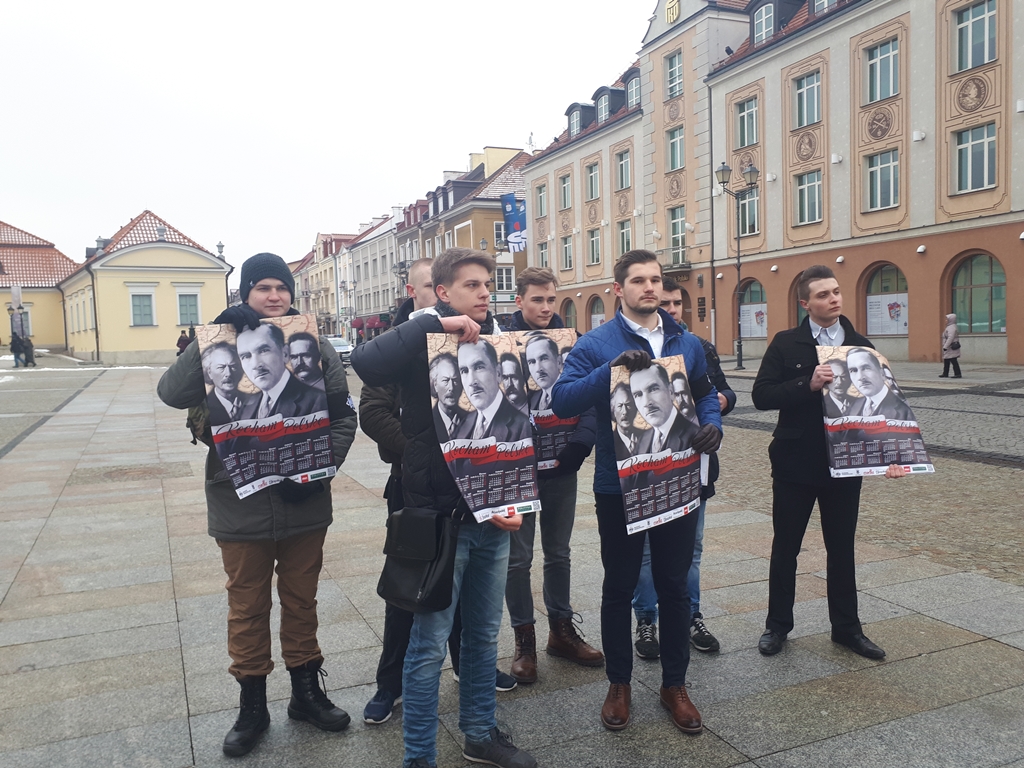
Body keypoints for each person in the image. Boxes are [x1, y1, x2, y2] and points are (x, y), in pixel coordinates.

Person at [157, 252, 357, 757]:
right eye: (262, 287)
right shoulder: (222, 342)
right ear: (245, 293)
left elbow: (342, 416)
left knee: (302, 600)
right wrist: (214, 334)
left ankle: (307, 692)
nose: (274, 295)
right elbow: (171, 392)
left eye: (281, 287)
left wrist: (319, 471)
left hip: (304, 501)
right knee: (246, 606)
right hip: (238, 499)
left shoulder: (314, 346)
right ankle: (252, 705)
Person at [352, 247, 536, 768]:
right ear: (442, 292)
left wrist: (515, 497)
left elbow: (518, 427)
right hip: (439, 520)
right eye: (472, 285)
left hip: (494, 515)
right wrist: (434, 323)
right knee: (429, 643)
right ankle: (418, 755)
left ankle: (479, 733)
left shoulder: (502, 342)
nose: (484, 293)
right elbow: (365, 362)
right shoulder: (419, 341)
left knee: (482, 636)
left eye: (487, 284)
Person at [552, 249, 722, 735]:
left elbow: (705, 393)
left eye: (655, 280)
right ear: (619, 289)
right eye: (638, 280)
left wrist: (713, 425)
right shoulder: (596, 343)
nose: (649, 287)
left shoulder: (685, 341)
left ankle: (675, 684)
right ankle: (619, 683)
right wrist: (610, 371)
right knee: (620, 585)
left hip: (678, 479)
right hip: (619, 486)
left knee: (674, 585)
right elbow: (562, 401)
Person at [752, 265, 903, 662]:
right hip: (795, 463)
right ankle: (777, 626)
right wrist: (808, 384)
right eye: (823, 294)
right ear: (805, 303)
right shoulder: (786, 342)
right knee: (786, 548)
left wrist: (892, 456)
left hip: (846, 465)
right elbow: (762, 395)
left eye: (836, 291)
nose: (834, 299)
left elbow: (883, 408)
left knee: (841, 549)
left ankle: (847, 628)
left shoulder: (860, 345)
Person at [502, 267, 601, 685]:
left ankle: (561, 630)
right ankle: (524, 639)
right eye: (536, 300)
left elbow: (591, 398)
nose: (545, 307)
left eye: (550, 300)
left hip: (561, 466)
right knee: (518, 559)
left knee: (559, 553)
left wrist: (580, 445)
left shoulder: (574, 344)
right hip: (518, 471)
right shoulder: (500, 344)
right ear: (519, 301)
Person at [630, 276, 735, 660]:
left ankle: (692, 615)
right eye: (666, 303)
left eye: (676, 303)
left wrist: (721, 404)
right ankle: (646, 618)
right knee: (645, 550)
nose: (672, 309)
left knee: (692, 549)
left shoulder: (698, 348)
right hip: (645, 468)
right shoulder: (631, 349)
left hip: (694, 466)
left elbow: (723, 391)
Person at [235, 323, 328, 419]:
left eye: (264, 351)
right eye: (245, 356)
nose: (255, 364)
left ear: (285, 354)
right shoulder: (245, 407)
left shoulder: (318, 401)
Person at [453, 340, 532, 443]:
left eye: (479, 367)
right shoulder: (462, 425)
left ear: (498, 373)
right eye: (464, 371)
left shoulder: (523, 427)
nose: (471, 381)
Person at [845, 347, 913, 421]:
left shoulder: (903, 410)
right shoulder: (853, 406)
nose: (860, 377)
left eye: (866, 368)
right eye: (853, 370)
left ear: (882, 373)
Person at [201, 342, 256, 424]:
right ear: (209, 373)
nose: (229, 373)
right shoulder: (203, 408)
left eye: (233, 366)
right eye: (221, 367)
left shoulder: (256, 401)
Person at [430, 352, 467, 439]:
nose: (451, 387)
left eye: (455, 380)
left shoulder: (472, 421)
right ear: (435, 385)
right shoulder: (427, 421)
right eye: (445, 380)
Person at [524, 333, 562, 411]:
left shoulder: (574, 392)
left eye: (544, 358)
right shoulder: (531, 398)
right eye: (532, 362)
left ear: (559, 362)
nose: (538, 368)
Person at [940, 313, 962, 379]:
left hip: (951, 347)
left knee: (953, 360)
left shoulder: (951, 327)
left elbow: (950, 338)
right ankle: (945, 373)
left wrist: (945, 346)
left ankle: (957, 374)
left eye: (947, 319)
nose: (945, 320)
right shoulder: (949, 327)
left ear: (951, 320)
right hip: (949, 347)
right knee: (946, 360)